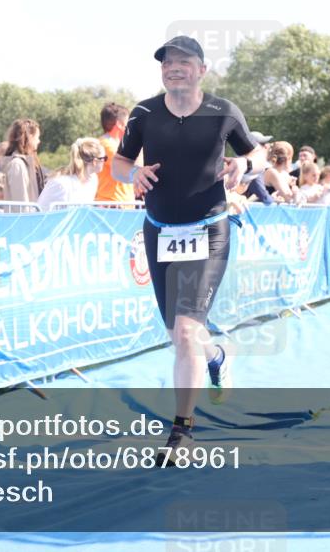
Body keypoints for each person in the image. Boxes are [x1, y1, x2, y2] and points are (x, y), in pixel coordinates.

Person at [112, 35, 267, 466]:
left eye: (183, 61)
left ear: (201, 69)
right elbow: (118, 164)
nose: (173, 68)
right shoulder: (144, 113)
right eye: (167, 63)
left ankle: (183, 431)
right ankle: (216, 356)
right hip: (159, 231)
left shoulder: (223, 111)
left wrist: (244, 164)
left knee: (185, 332)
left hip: (209, 229)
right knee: (181, 335)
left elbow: (259, 154)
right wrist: (133, 174)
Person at [37, 137, 105, 211]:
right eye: (104, 158)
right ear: (95, 161)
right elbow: (40, 212)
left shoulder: (93, 180)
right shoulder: (61, 184)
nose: (105, 161)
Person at [95, 103, 138, 204]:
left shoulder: (116, 144)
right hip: (111, 204)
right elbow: (129, 166)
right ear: (119, 124)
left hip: (122, 204)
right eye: (129, 121)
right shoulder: (106, 145)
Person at [1, 118, 46, 208]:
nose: (39, 141)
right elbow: (21, 204)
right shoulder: (17, 165)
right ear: (29, 137)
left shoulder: (24, 163)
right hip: (24, 216)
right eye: (37, 137)